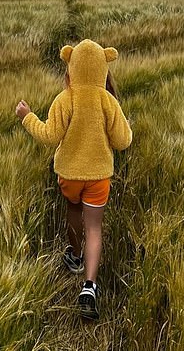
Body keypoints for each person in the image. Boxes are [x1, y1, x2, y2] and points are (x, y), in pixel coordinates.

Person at [15, 39, 132, 320]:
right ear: (104, 66)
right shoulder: (108, 100)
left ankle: (76, 257)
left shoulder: (65, 98)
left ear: (71, 65)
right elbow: (122, 141)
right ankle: (90, 286)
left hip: (69, 174)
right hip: (99, 176)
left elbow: (49, 136)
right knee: (94, 228)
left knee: (73, 213)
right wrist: (126, 127)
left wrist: (27, 116)